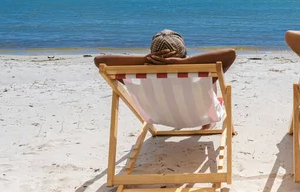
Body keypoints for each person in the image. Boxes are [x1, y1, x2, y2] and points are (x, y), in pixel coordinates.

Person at [94, 29, 236, 129]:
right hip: (201, 116)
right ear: (183, 53)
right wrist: (184, 63)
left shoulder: (141, 78)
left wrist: (143, 60)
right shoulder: (195, 76)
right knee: (209, 82)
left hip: (159, 117)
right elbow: (230, 53)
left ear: (151, 52)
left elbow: (99, 60)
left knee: (203, 83)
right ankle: (207, 124)